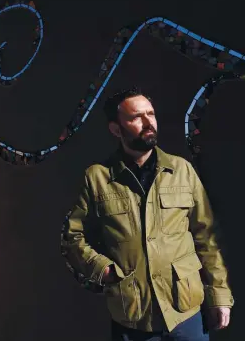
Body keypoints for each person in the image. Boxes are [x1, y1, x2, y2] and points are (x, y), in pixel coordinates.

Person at [61, 87, 234, 341]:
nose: (147, 122)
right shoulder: (97, 178)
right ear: (115, 129)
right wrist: (104, 269)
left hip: (186, 313)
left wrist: (219, 293)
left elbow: (206, 237)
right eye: (135, 117)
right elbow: (73, 237)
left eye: (150, 114)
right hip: (132, 316)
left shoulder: (182, 170)